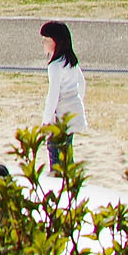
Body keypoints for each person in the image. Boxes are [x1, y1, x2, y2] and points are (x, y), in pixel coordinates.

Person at [39, 19, 85, 173]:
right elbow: (82, 83)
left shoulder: (55, 65)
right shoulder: (70, 61)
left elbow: (53, 94)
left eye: (46, 40)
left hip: (61, 114)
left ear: (56, 42)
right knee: (67, 150)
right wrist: (77, 103)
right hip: (73, 111)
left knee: (55, 148)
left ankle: (59, 178)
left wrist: (46, 120)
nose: (43, 43)